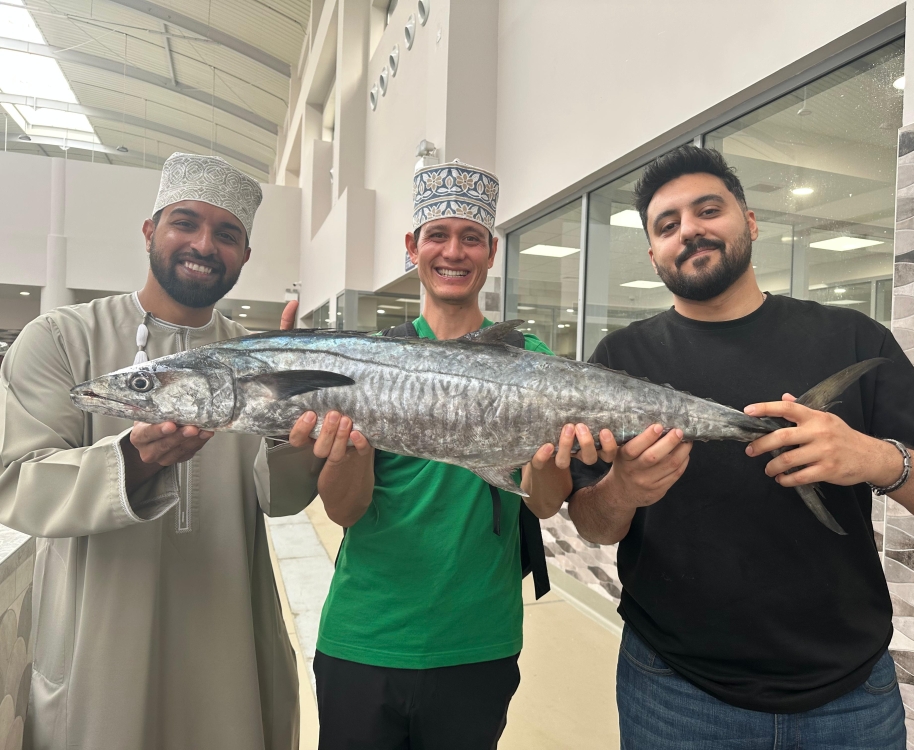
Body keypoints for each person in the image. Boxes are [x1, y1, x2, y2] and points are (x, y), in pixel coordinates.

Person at [567, 145, 914, 749]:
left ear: (750, 221)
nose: (689, 230)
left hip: (850, 696)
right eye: (667, 226)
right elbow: (593, 524)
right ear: (653, 252)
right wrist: (623, 490)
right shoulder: (619, 359)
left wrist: (871, 458)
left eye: (708, 210)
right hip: (675, 691)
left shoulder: (851, 338)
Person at [0, 153, 317, 750]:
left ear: (245, 255)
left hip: (230, 636)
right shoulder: (62, 339)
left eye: (227, 234)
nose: (204, 244)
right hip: (98, 647)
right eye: (185, 223)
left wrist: (291, 432)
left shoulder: (263, 360)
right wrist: (134, 459)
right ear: (150, 232)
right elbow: (16, 481)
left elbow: (284, 499)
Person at [287, 160, 589, 750]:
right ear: (412, 248)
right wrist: (344, 449)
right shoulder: (371, 362)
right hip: (364, 635)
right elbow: (346, 512)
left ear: (491, 251)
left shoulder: (528, 359)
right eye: (438, 235)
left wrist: (550, 454)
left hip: (478, 640)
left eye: (471, 237)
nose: (454, 252)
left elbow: (547, 505)